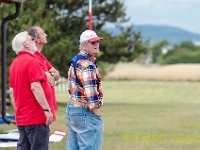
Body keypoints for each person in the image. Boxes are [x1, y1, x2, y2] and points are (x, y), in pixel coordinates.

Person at [9, 31, 55, 150]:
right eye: (31, 39)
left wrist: (17, 111)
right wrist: (46, 109)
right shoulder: (31, 61)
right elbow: (35, 87)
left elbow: (12, 91)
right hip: (36, 116)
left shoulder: (14, 64)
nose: (34, 41)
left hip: (23, 117)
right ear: (26, 44)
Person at [66, 30, 104, 150]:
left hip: (72, 109)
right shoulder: (87, 65)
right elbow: (90, 94)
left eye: (97, 41)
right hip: (85, 111)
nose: (96, 44)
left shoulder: (75, 61)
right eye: (92, 42)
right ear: (83, 45)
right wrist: (96, 112)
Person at [27, 26, 60, 110]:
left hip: (48, 104)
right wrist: (47, 75)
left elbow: (56, 73)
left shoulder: (41, 57)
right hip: (40, 106)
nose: (46, 35)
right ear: (37, 39)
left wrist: (49, 75)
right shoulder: (31, 58)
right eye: (42, 33)